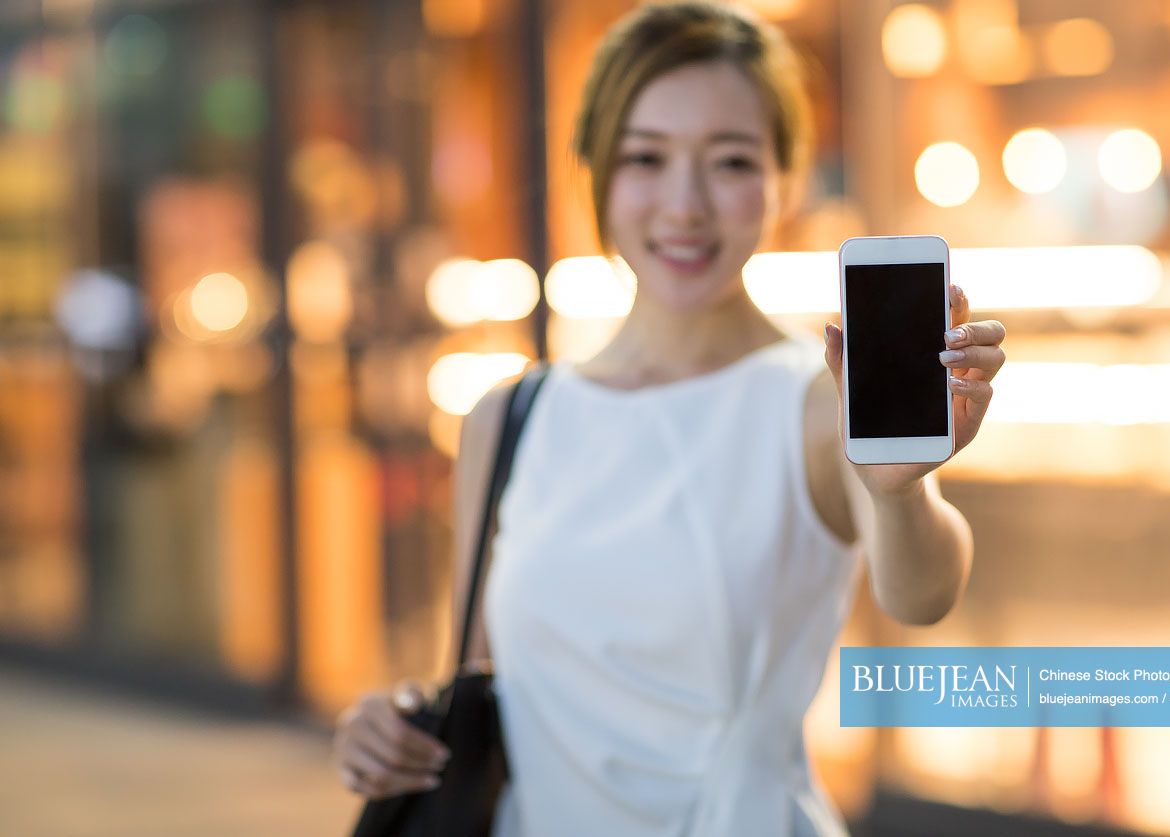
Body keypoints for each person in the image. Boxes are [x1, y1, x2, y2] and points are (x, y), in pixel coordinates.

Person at [334, 2, 1006, 835]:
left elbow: (922, 593)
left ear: (785, 180)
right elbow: (484, 677)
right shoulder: (511, 417)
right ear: (594, 170)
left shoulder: (809, 397)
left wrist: (902, 495)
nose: (683, 205)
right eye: (645, 158)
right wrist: (398, 718)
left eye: (729, 161)